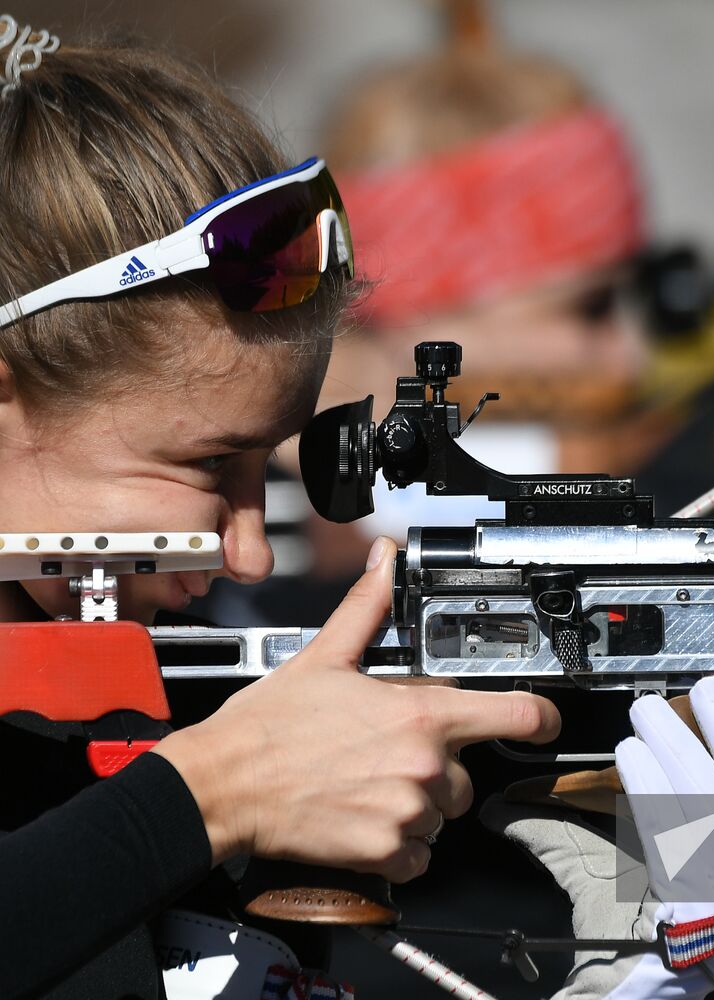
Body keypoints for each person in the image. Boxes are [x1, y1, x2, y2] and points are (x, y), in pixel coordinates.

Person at [0, 20, 562, 998]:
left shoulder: (124, 671)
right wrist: (210, 797)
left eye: (268, 471)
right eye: (211, 464)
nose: (250, 553)